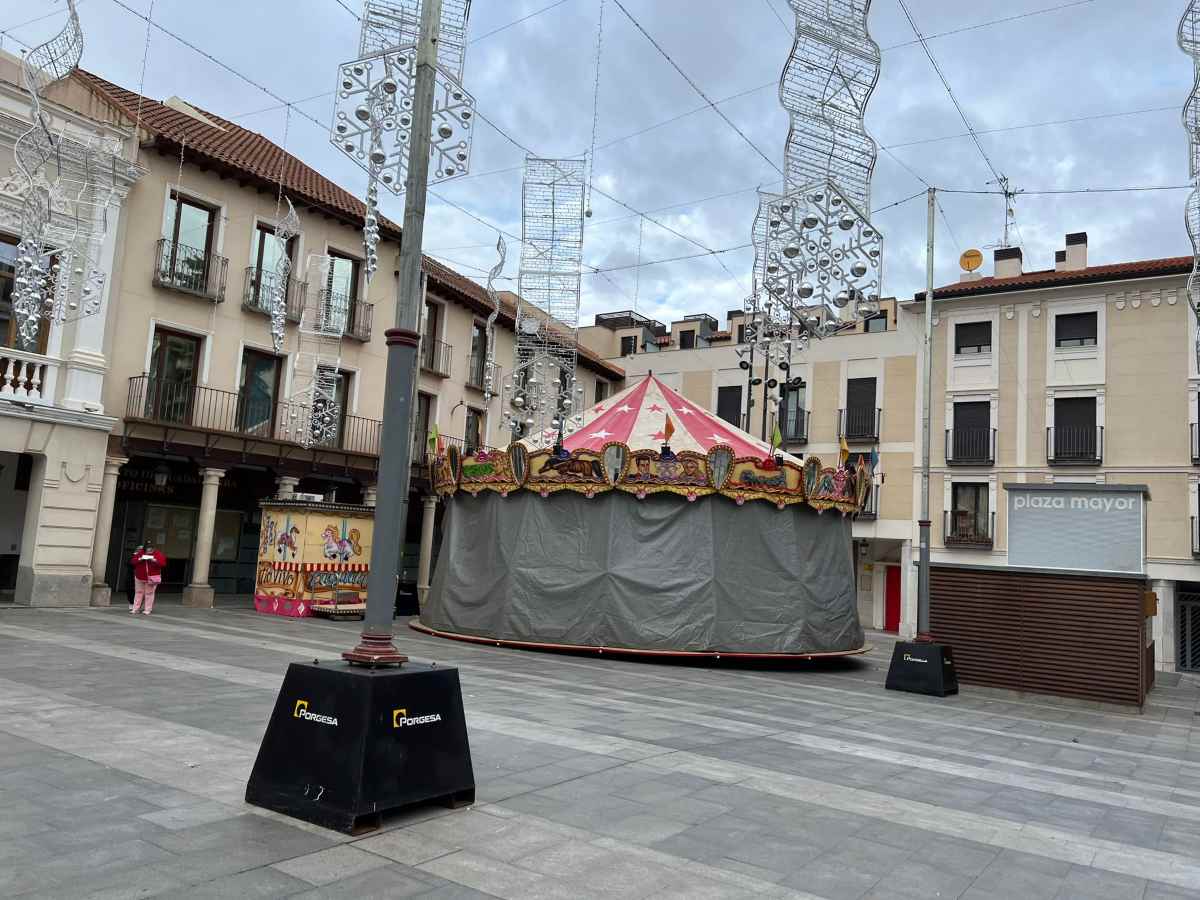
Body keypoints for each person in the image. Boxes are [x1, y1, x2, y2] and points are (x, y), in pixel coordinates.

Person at [130, 544, 166, 615]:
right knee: (138, 593)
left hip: (151, 578)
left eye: (151, 548)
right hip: (139, 577)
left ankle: (147, 609)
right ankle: (135, 608)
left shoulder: (158, 554)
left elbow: (163, 564)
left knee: (149, 593)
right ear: (145, 549)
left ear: (153, 548)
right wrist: (140, 559)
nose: (149, 550)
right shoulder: (140, 553)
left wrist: (154, 560)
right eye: (147, 548)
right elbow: (133, 562)